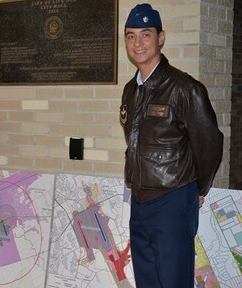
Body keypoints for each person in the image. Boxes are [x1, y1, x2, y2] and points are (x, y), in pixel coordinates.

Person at [120, 3, 223, 287]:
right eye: (130, 36)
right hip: (140, 202)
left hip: (172, 201)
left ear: (161, 38)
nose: (137, 43)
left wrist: (197, 189)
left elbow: (210, 144)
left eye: (145, 35)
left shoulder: (185, 88)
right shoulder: (131, 90)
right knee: (148, 280)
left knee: (173, 281)